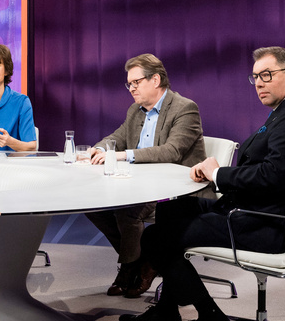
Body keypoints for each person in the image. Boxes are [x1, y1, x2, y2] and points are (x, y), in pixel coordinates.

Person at [119, 47, 285, 321]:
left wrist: (218, 174)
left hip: (261, 222)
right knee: (172, 210)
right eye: (255, 77)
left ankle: (213, 319)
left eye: (267, 75)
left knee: (156, 238)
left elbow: (270, 176)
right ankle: (166, 313)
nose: (259, 83)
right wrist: (215, 173)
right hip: (247, 208)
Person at [86, 53, 207, 298]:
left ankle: (129, 267)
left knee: (128, 211)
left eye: (136, 82)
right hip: (142, 186)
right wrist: (99, 148)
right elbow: (117, 137)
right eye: (129, 84)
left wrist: (123, 155)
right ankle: (142, 260)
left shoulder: (185, 108)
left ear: (155, 80)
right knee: (92, 205)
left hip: (177, 192)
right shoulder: (136, 110)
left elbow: (171, 151)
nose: (131, 88)